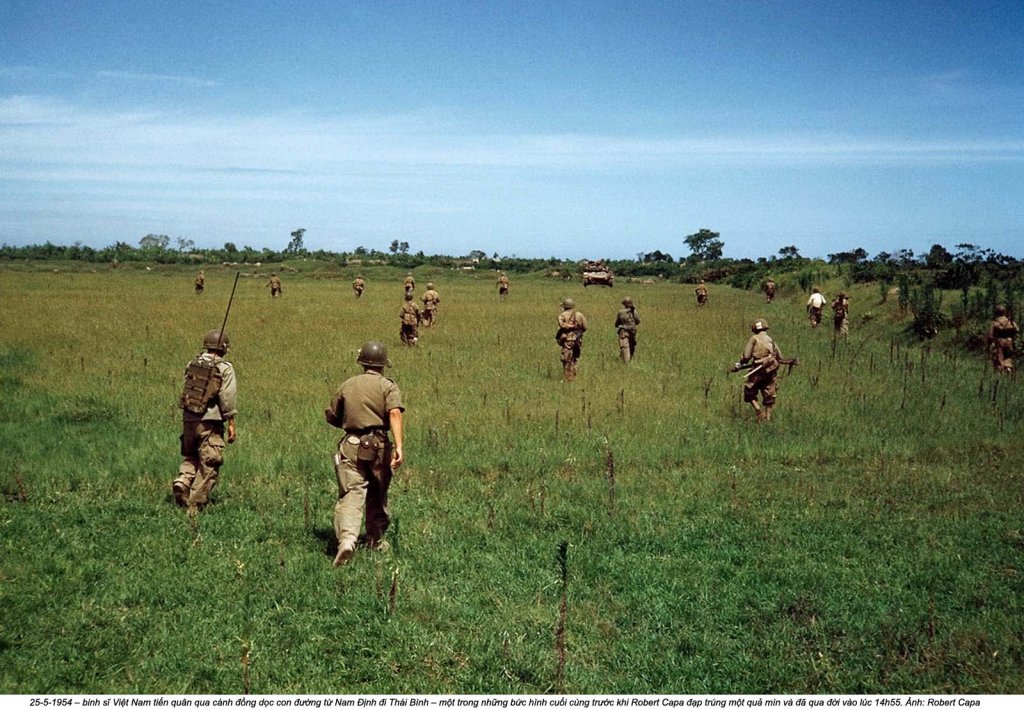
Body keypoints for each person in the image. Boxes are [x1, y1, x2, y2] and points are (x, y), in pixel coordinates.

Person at [324, 341, 404, 565]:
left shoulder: (348, 384)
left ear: (362, 362)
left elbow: (333, 415)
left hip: (352, 443)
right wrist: (398, 446)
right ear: (383, 364)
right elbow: (395, 413)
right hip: (379, 445)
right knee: (378, 493)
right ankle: (375, 540)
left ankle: (347, 541)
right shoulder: (388, 386)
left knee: (351, 493)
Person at [173, 329, 237, 508]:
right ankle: (195, 504)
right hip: (210, 421)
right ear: (224, 348)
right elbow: (228, 397)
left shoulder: (192, 363)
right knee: (210, 462)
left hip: (188, 418)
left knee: (191, 455)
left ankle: (183, 480)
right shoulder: (224, 368)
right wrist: (231, 422)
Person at [735, 318, 783, 422]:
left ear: (754, 329)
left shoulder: (754, 339)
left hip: (757, 370)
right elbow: (780, 356)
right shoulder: (771, 339)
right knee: (770, 393)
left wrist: (739, 364)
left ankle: (758, 410)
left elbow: (746, 356)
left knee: (749, 390)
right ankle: (767, 417)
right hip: (771, 370)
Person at [556, 297, 588, 381]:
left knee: (566, 360)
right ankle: (573, 377)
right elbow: (585, 327)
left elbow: (562, 326)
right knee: (574, 359)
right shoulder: (580, 315)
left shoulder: (562, 316)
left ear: (564, 306)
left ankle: (568, 379)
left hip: (567, 341)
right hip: (578, 340)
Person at [987, 305, 1020, 374]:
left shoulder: (995, 322)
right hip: (1010, 341)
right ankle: (1008, 368)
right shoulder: (1010, 322)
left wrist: (989, 344)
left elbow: (990, 336)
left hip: (1000, 342)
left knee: (999, 359)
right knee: (1008, 357)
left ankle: (999, 376)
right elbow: (1017, 330)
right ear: (1004, 312)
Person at [614, 296, 641, 362]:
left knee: (624, 347)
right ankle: (629, 359)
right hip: (632, 332)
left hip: (624, 331)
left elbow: (616, 324)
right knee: (632, 346)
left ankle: (626, 361)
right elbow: (638, 321)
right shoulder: (634, 312)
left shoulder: (621, 312)